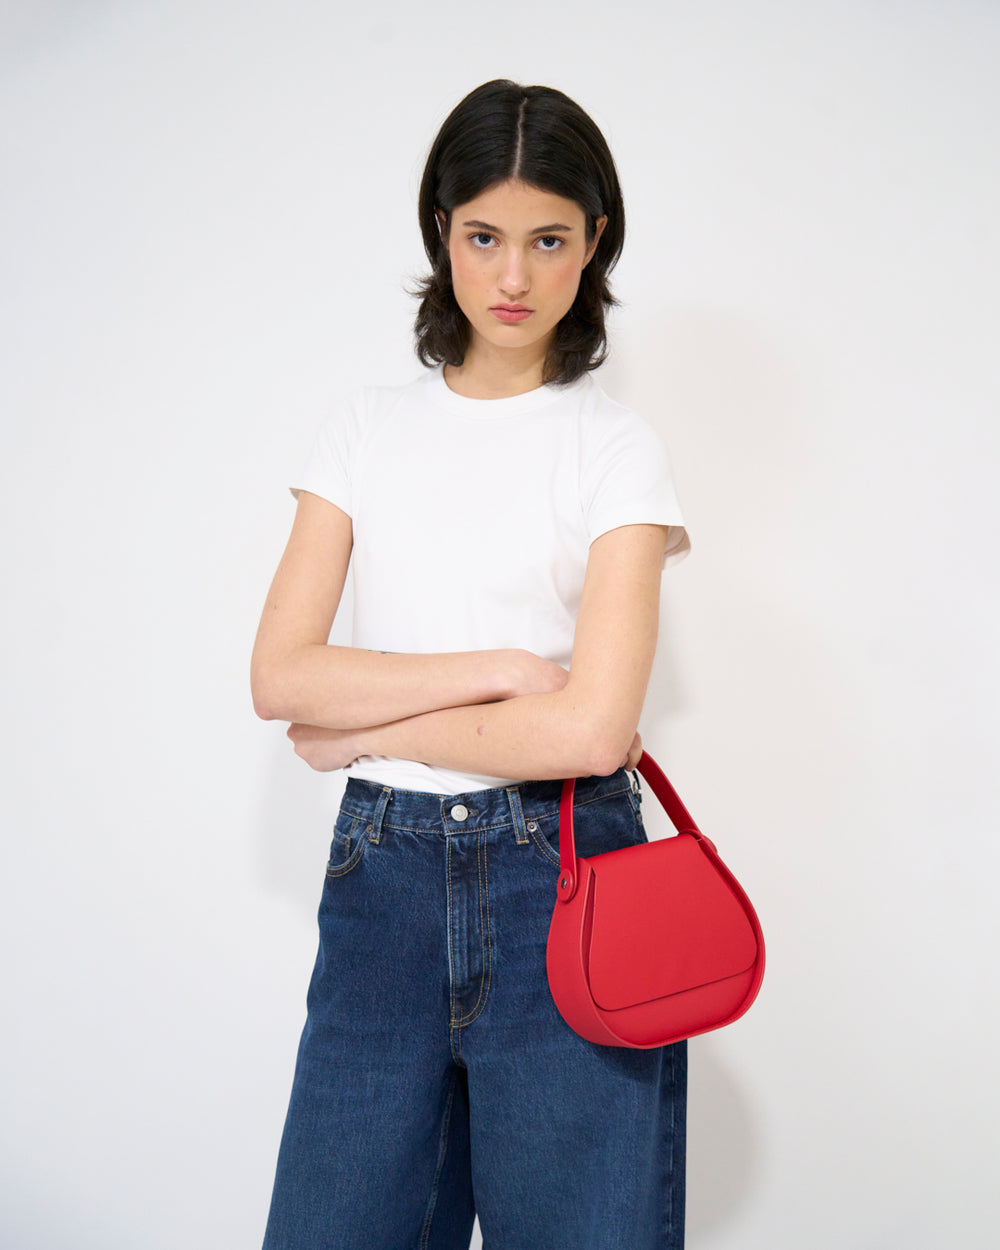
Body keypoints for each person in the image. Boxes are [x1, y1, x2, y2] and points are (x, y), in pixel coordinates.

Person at [251, 78, 692, 1250]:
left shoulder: (615, 447)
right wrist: (502, 666)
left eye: (548, 239)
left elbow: (588, 732)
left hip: (566, 870)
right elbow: (281, 675)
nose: (512, 276)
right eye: (483, 236)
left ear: (593, 242)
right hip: (382, 881)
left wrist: (360, 726)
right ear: (440, 232)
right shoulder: (362, 428)